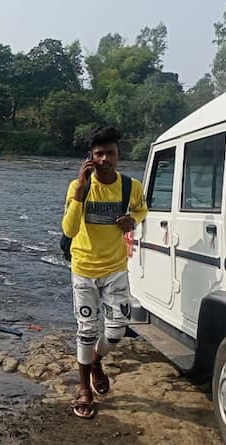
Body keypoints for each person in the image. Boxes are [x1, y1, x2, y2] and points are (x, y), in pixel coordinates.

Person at [61, 125, 148, 419]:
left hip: (115, 268)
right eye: (99, 154)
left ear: (118, 154)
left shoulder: (130, 187)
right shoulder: (78, 188)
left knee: (116, 329)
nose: (105, 159)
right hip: (84, 267)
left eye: (110, 153)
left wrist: (133, 220)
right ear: (90, 158)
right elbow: (69, 229)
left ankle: (96, 361)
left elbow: (142, 209)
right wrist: (81, 191)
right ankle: (83, 388)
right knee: (86, 331)